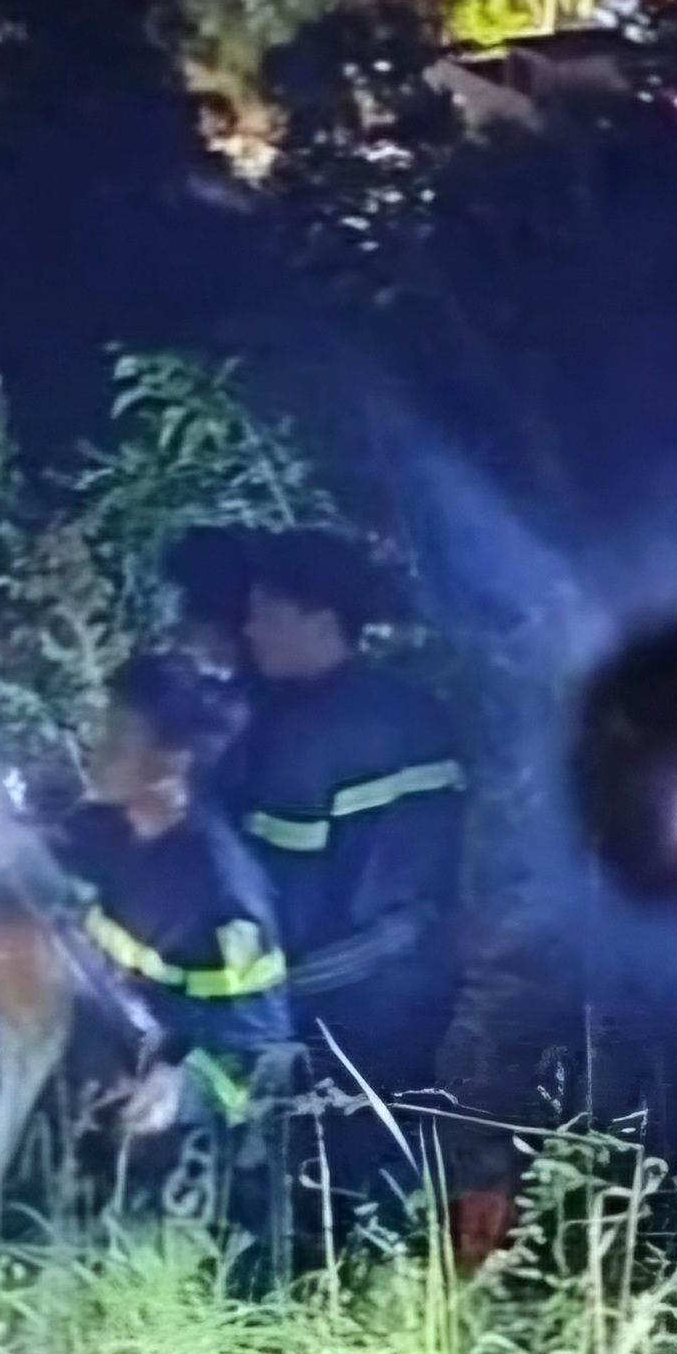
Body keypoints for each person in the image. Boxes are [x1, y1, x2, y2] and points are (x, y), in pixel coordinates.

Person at [218, 530, 478, 1265]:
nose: (249, 627)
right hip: (368, 983)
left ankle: (339, 1297)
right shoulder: (381, 711)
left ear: (321, 616)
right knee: (353, 1157)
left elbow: (310, 890)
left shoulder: (342, 729)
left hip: (352, 994)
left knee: (340, 1161)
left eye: (267, 611)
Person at [54, 654, 299, 1277]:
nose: (99, 750)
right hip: (100, 1075)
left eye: (120, 738)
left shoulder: (222, 888)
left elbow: (257, 1042)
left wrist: (181, 1083)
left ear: (173, 760)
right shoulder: (94, 834)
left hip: (185, 1124)